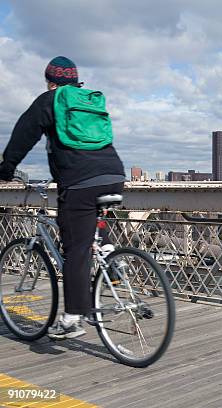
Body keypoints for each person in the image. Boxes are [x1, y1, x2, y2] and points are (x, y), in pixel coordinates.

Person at [0, 56, 125, 339]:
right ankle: (110, 253)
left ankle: (71, 320)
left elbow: (23, 135)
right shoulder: (89, 101)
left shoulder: (49, 100)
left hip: (79, 181)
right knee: (88, 231)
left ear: (50, 81)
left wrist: (6, 169)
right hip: (115, 173)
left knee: (75, 250)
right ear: (75, 80)